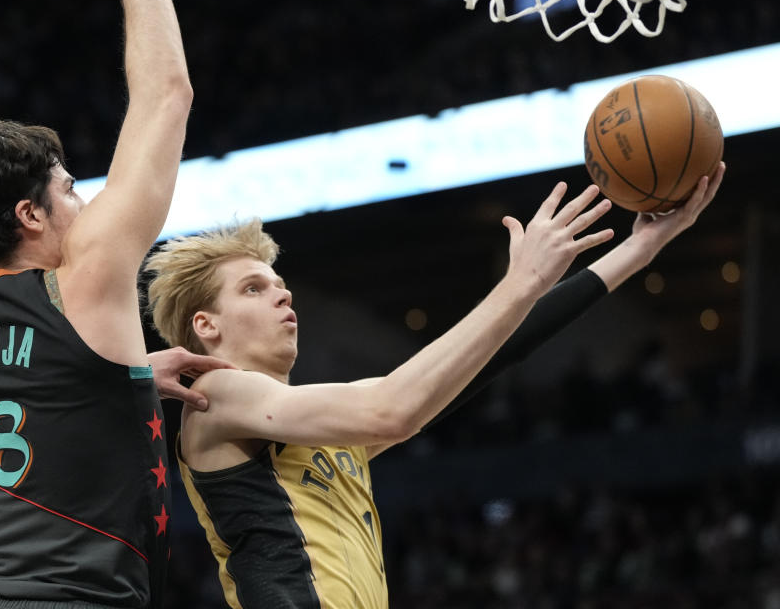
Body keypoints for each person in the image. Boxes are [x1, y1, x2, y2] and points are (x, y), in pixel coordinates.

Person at [143, 165, 725, 609]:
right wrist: (518, 283)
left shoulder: (309, 435)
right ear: (205, 326)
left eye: (280, 283)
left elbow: (489, 360)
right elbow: (393, 411)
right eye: (253, 288)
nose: (283, 294)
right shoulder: (216, 395)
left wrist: (639, 248)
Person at [0, 0, 230, 608]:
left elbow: (46, 401)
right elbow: (167, 92)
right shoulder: (82, 282)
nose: (86, 206)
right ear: (30, 216)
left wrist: (129, 377)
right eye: (72, 191)